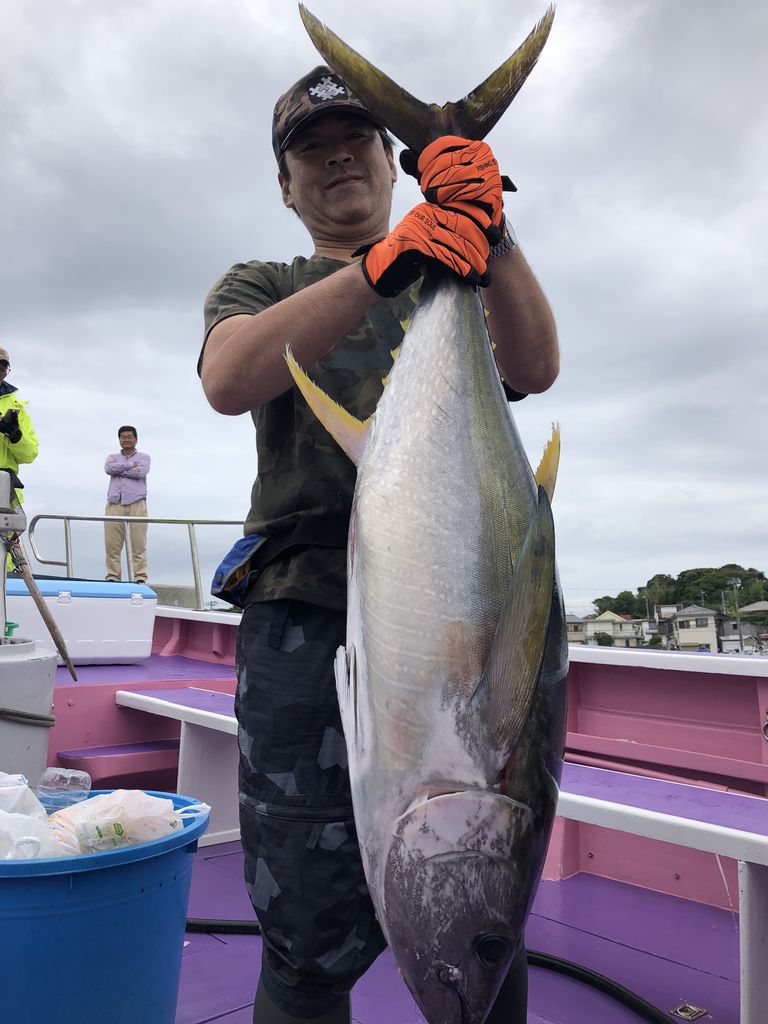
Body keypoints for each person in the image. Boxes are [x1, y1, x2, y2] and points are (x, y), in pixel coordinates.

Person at [200, 66, 559, 1024]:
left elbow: (535, 366)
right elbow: (229, 378)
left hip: (470, 601)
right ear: (286, 187)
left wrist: (489, 228)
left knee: (491, 880)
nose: (336, 161)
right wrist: (380, 266)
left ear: (389, 164)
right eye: (310, 152)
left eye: (355, 141)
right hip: (304, 612)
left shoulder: (455, 273)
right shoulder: (265, 283)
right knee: (303, 921)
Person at [104, 425, 150, 584]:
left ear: (136, 439)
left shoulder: (144, 457)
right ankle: (113, 577)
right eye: (123, 437)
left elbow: (140, 472)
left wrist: (119, 469)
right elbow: (108, 469)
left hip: (137, 503)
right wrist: (130, 465)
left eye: (130, 437)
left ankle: (140, 577)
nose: (126, 440)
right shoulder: (112, 456)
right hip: (114, 503)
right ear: (119, 440)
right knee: (112, 545)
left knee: (139, 544)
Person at [0, 346, 39, 509]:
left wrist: (15, 436)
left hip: (5, 490)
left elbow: (30, 454)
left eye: (2, 368)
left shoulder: (17, 407)